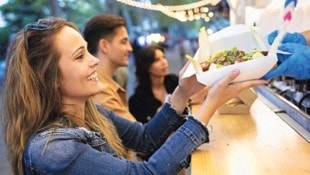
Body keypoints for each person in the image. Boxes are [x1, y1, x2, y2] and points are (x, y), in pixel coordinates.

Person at [2, 17, 266, 175]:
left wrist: (184, 91)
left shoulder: (90, 110)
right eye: (80, 56)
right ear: (50, 78)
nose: (94, 60)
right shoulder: (51, 148)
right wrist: (208, 107)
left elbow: (146, 138)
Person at [129, 45, 207, 123]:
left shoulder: (172, 80)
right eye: (156, 60)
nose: (163, 62)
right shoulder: (137, 100)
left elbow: (193, 97)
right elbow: (145, 130)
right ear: (146, 66)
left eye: (163, 57)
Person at [82, 14, 135, 122]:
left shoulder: (105, 83)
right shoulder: (99, 90)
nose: (130, 48)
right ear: (104, 46)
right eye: (123, 42)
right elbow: (141, 137)